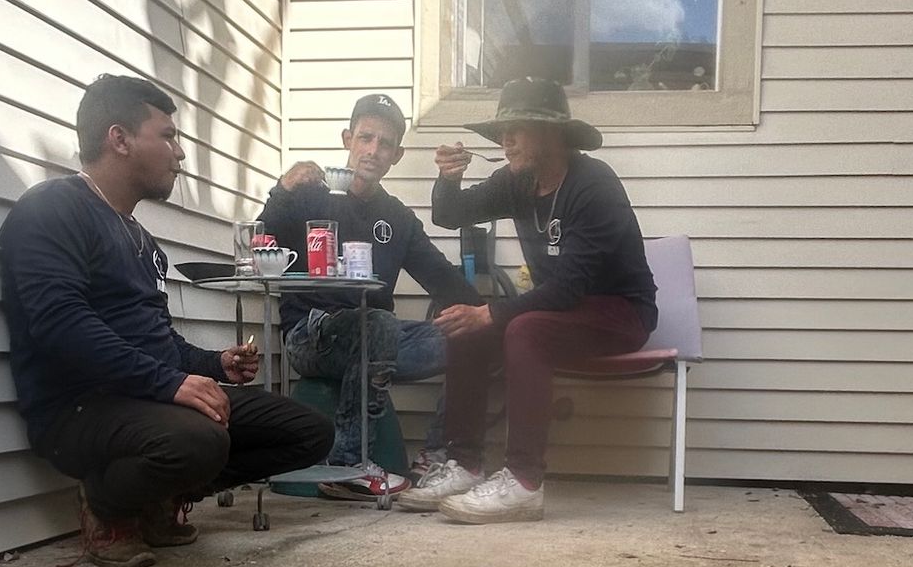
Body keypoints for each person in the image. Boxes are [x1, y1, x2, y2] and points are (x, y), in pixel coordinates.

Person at [0, 75, 330, 567]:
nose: (179, 153)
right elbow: (60, 325)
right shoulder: (52, 209)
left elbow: (157, 342)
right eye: (168, 136)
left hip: (145, 400)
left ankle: (153, 500)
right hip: (78, 411)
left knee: (310, 433)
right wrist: (170, 383)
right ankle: (108, 508)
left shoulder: (136, 235)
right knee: (199, 439)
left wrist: (213, 363)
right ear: (120, 139)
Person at [404, 76, 657, 525]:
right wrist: (448, 179)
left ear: (552, 134)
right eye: (502, 130)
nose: (505, 140)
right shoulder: (518, 182)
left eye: (516, 128)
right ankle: (464, 465)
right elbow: (449, 214)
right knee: (467, 325)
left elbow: (569, 288)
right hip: (559, 311)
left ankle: (523, 483)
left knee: (519, 327)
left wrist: (493, 312)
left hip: (620, 312)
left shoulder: (594, 185)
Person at [258, 93, 484, 494]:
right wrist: (281, 189)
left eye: (384, 143)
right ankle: (350, 467)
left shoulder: (397, 216)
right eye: (365, 138)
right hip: (311, 336)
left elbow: (443, 279)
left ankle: (436, 455)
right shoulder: (310, 192)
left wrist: (494, 315)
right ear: (348, 139)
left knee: (472, 336)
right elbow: (259, 247)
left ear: (396, 155)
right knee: (376, 323)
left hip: (381, 340)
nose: (373, 150)